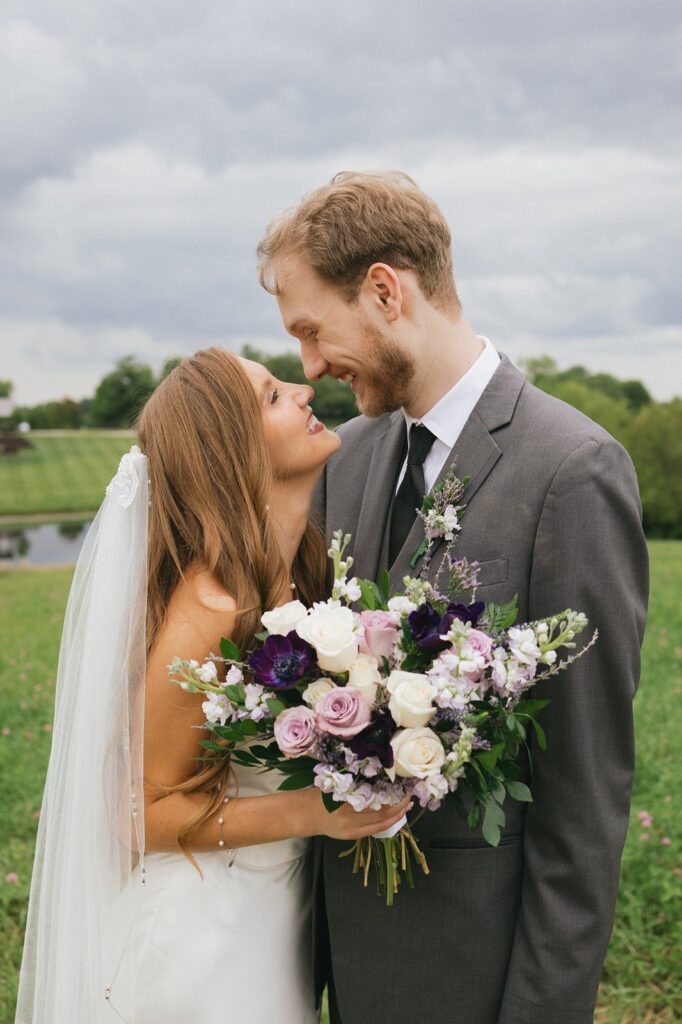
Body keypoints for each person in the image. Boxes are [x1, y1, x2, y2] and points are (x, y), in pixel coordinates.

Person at [258, 171, 649, 1024]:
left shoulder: (571, 472)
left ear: (386, 291)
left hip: (471, 973)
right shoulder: (349, 458)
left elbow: (584, 801)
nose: (311, 366)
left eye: (313, 331)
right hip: (338, 968)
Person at [15, 347, 410, 1024]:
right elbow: (135, 813)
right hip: (205, 938)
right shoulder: (213, 607)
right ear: (232, 452)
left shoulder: (305, 573)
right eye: (273, 398)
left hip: (274, 915)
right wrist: (317, 814)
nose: (304, 390)